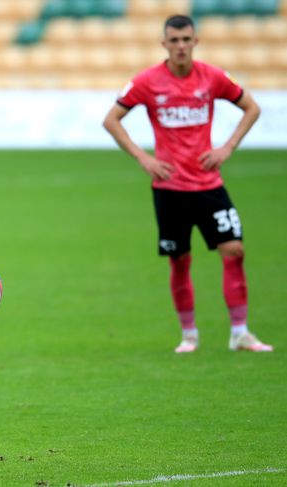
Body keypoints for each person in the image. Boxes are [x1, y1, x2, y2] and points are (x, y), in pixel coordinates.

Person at [102, 15, 272, 353]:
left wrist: (227, 146)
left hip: (209, 186)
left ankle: (240, 332)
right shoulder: (147, 82)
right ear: (164, 44)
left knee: (234, 251)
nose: (181, 46)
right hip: (169, 189)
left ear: (195, 42)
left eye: (186, 40)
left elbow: (251, 107)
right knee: (179, 260)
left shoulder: (212, 78)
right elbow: (111, 120)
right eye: (174, 40)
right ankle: (189, 335)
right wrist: (144, 158)